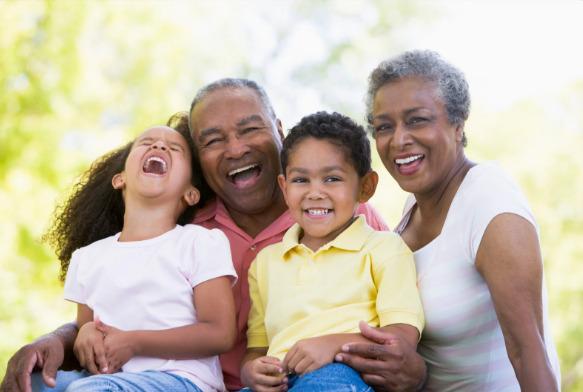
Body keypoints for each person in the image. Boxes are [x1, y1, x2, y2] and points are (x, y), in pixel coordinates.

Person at [1, 78, 388, 392]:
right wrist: (56, 340)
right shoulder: (186, 231)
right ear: (199, 162)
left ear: (279, 132)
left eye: (250, 129)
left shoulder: (344, 216)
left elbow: (402, 312)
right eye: (213, 140)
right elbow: (106, 314)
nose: (235, 148)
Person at [335, 50, 561, 391]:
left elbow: (528, 351)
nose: (398, 140)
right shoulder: (413, 208)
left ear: (458, 124)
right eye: (384, 126)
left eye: (417, 120)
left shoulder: (489, 201)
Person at [31, 124, 237, 392]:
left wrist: (135, 342)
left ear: (191, 193)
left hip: (180, 379)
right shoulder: (88, 257)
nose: (159, 146)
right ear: (120, 179)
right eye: (146, 142)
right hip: (106, 379)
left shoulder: (199, 242)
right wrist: (86, 335)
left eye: (174, 149)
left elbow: (220, 334)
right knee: (33, 382)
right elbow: (86, 327)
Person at [240, 112, 424, 392]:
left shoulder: (384, 249)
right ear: (284, 186)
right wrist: (251, 372)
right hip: (281, 379)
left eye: (332, 179)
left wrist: (334, 344)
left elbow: (401, 339)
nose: (315, 192)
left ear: (365, 187)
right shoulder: (265, 262)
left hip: (346, 372)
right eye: (301, 180)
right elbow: (258, 348)